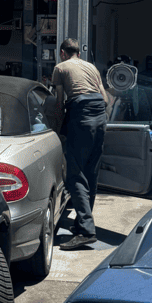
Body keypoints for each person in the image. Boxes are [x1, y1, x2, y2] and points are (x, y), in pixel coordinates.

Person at [51, 38, 108, 250]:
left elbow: (58, 103)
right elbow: (105, 98)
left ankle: (86, 231)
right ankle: (81, 224)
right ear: (78, 54)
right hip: (99, 117)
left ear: (63, 53)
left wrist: (56, 130)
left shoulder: (61, 67)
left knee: (74, 175)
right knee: (91, 174)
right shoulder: (91, 67)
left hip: (81, 114)